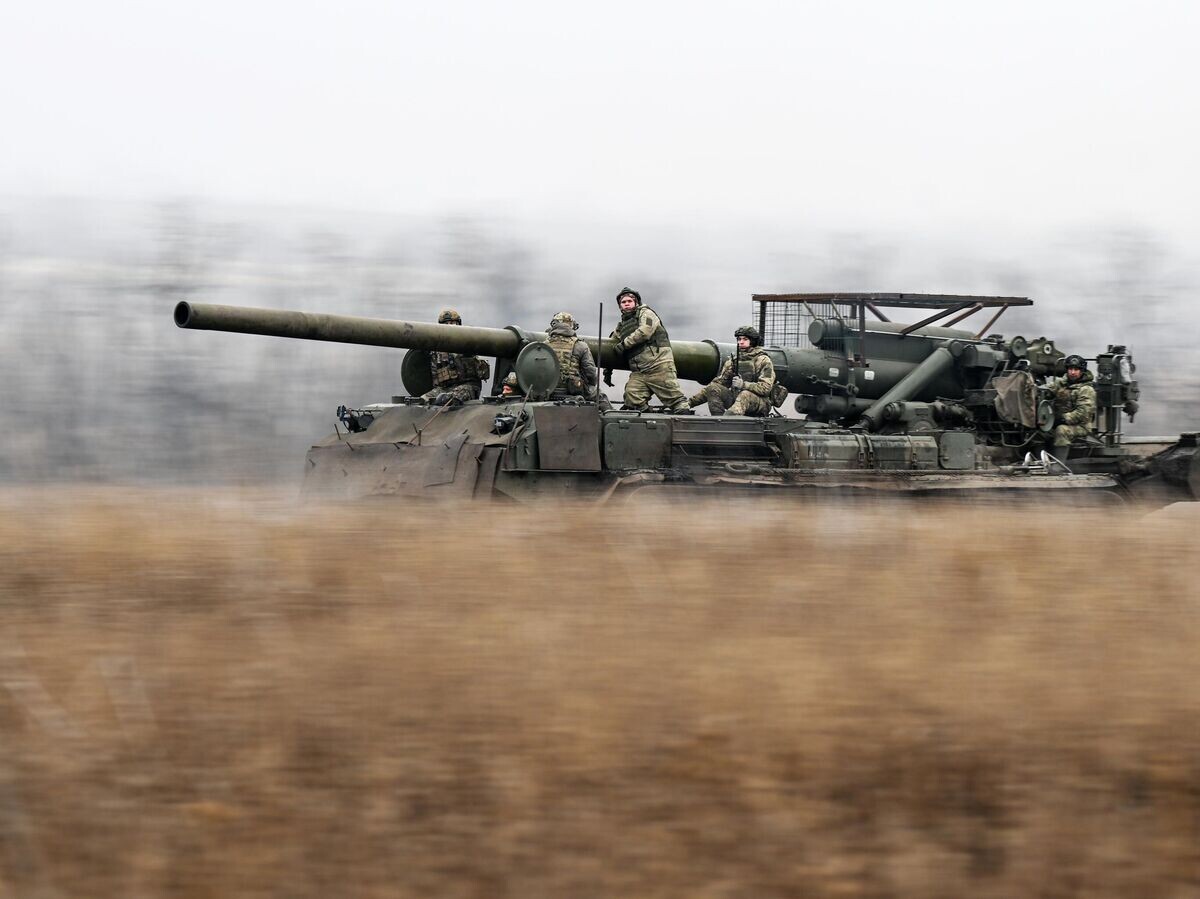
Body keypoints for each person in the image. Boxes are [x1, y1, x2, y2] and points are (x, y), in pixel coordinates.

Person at [602, 287, 690, 413]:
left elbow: (645, 331)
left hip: (658, 366)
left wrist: (625, 344)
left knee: (677, 401)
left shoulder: (647, 314)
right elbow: (612, 346)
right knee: (632, 399)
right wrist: (607, 371)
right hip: (639, 372)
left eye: (629, 301)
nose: (626, 304)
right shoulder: (622, 326)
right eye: (623, 302)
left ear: (636, 302)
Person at [688, 325, 776, 416]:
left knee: (745, 395)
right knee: (713, 388)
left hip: (759, 403)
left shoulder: (763, 360)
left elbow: (766, 388)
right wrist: (689, 403)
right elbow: (718, 383)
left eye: (745, 339)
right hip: (737, 400)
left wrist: (743, 384)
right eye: (739, 339)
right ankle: (718, 420)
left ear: (752, 341)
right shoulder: (734, 361)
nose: (741, 342)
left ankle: (728, 420)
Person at [420, 308, 489, 405]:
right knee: (424, 400)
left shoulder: (466, 341)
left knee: (451, 398)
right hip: (444, 389)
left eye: (453, 323)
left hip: (468, 386)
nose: (449, 326)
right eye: (446, 323)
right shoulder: (436, 350)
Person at [545, 311, 613, 410]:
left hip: (548, 390)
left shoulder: (544, 345)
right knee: (600, 397)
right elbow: (591, 373)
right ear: (571, 325)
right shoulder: (580, 345)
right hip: (573, 389)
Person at [1046, 354, 1097, 449]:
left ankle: (1059, 462)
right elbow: (1046, 391)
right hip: (1057, 421)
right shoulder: (1060, 383)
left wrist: (1062, 419)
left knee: (1061, 430)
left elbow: (1082, 413)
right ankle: (1038, 458)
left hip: (1081, 427)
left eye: (1076, 370)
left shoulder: (1086, 389)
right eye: (1070, 369)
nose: (1073, 372)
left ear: (1082, 371)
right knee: (1038, 431)